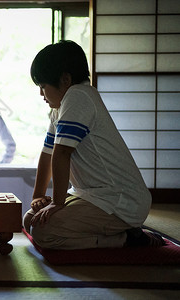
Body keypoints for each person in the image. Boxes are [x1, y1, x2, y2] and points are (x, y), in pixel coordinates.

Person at [22, 40, 164, 250]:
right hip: (90, 195)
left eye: (43, 86)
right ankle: (124, 234)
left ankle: (127, 240)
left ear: (65, 79)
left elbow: (61, 153)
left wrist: (57, 203)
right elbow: (47, 154)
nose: (41, 94)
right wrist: (38, 197)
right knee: (30, 219)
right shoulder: (58, 108)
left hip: (120, 201)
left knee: (44, 232)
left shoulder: (79, 96)